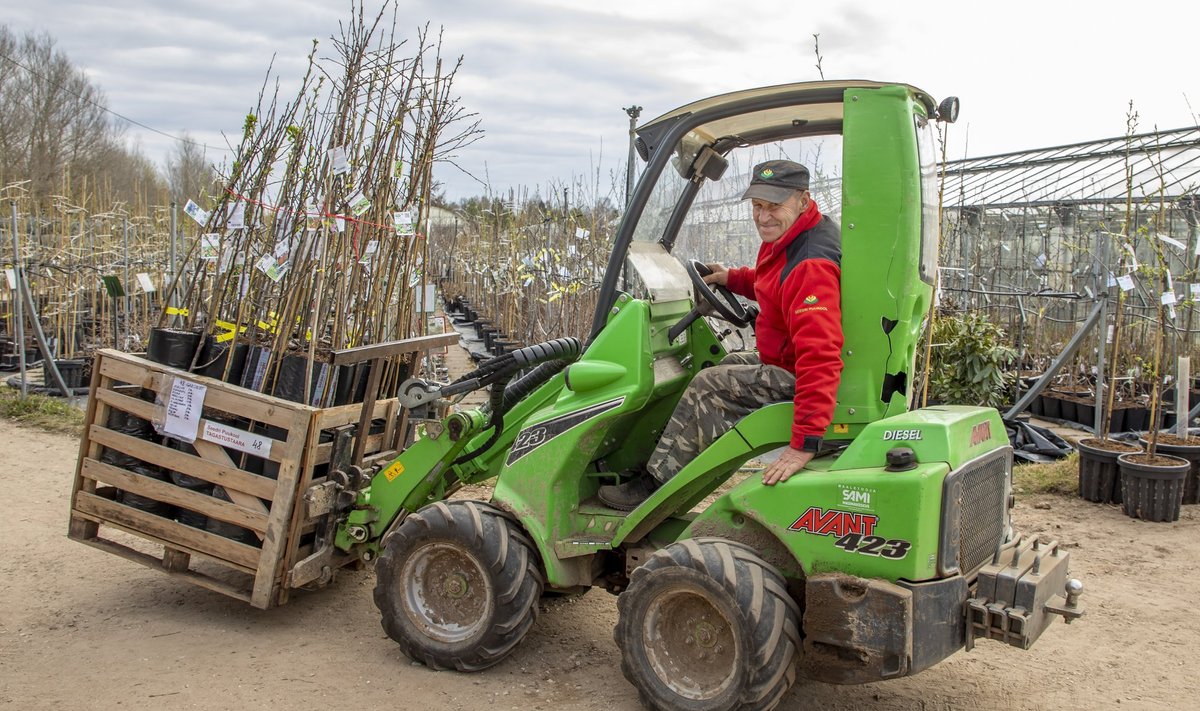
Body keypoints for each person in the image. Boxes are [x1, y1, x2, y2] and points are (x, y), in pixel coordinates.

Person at [598, 159, 844, 511]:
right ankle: (679, 461)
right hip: (786, 359)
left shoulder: (810, 267)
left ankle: (655, 486)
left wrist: (805, 442)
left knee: (708, 385)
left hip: (801, 376)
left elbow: (820, 358)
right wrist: (735, 278)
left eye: (775, 206)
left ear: (803, 200)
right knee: (727, 363)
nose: (763, 216)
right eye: (757, 206)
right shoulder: (800, 233)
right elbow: (776, 282)